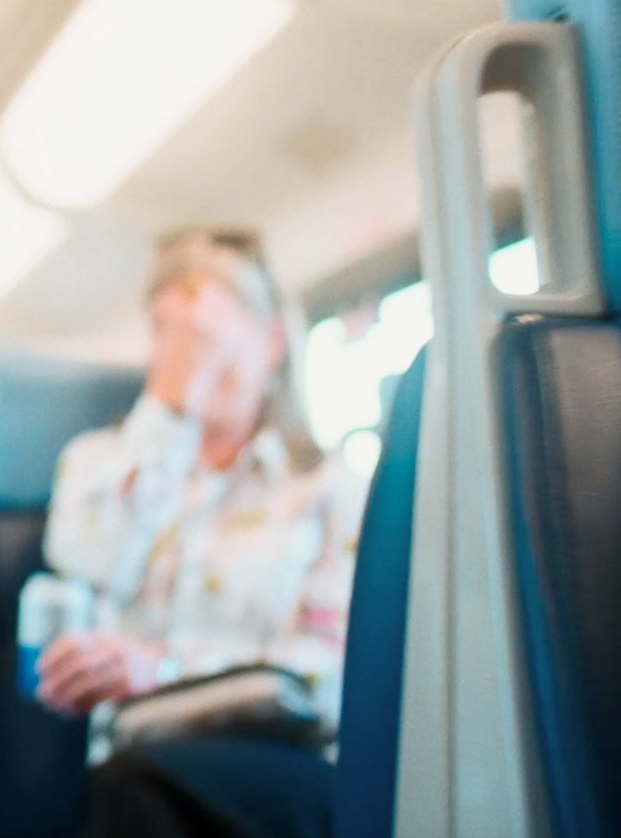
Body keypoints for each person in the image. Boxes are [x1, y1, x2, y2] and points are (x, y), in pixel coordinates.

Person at [37, 227, 366, 838]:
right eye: (167, 336)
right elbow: (87, 561)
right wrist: (169, 409)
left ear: (271, 344)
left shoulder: (325, 489)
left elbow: (332, 675)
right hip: (132, 767)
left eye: (205, 338)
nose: (185, 359)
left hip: (276, 764)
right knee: (130, 785)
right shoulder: (102, 464)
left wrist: (167, 672)